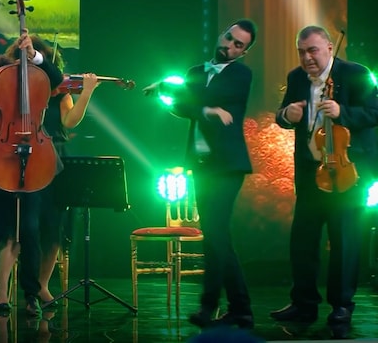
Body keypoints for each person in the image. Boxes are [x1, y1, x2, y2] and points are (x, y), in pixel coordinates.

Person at [144, 19, 258, 329]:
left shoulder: (241, 74)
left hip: (228, 166)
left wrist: (175, 91)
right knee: (216, 237)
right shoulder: (196, 72)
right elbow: (184, 106)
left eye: (238, 45)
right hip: (202, 165)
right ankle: (231, 308)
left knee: (217, 235)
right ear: (222, 34)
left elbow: (196, 101)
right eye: (229, 38)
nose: (230, 47)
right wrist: (180, 97)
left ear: (244, 52)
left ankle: (218, 307)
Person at [271, 25, 378, 338]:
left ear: (330, 48)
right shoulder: (295, 78)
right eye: (302, 52)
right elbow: (283, 116)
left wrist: (342, 111)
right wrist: (285, 115)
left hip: (348, 173)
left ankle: (341, 306)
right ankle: (303, 303)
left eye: (313, 50)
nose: (307, 58)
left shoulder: (356, 73)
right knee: (302, 242)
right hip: (310, 172)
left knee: (344, 242)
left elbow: (374, 111)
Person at [0, 30, 63, 317]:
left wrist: (34, 55)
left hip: (31, 162)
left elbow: (55, 80)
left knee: (30, 231)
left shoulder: (35, 85)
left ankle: (31, 295)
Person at [4, 36, 100, 306]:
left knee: (53, 226)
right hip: (22, 156)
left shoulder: (60, 89)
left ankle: (42, 285)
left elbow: (69, 121)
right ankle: (16, 287)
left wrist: (87, 92)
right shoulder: (13, 87)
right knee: (26, 226)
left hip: (55, 158)